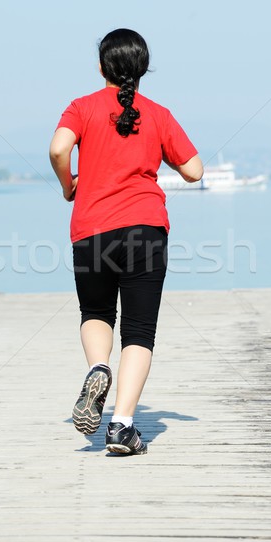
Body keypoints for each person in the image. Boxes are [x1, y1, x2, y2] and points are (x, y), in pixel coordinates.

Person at [49, 28, 203, 455]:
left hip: (91, 229)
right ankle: (121, 426)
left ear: (101, 67)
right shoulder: (157, 114)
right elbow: (195, 170)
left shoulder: (81, 107)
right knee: (139, 330)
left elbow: (59, 148)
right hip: (146, 230)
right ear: (142, 69)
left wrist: (69, 186)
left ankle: (98, 368)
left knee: (96, 310)